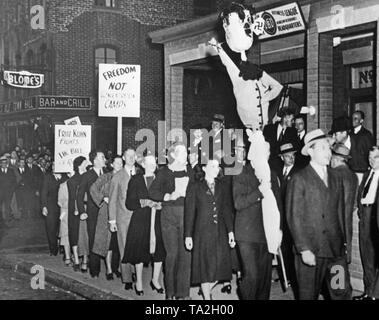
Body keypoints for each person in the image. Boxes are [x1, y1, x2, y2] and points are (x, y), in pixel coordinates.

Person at [286, 129, 352, 300]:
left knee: (341, 293)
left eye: (329, 148)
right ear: (311, 151)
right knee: (309, 295)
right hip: (311, 251)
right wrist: (304, 249)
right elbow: (294, 217)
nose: (328, 153)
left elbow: (340, 213)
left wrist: (344, 245)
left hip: (335, 251)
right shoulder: (299, 179)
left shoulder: (336, 177)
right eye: (323, 148)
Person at [232, 148, 282, 300]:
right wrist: (260, 191)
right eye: (262, 152)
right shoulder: (241, 172)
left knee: (263, 281)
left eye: (267, 152)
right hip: (247, 235)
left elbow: (278, 205)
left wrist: (279, 229)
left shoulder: (272, 175)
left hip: (267, 234)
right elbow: (238, 203)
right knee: (252, 277)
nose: (265, 156)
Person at [185, 158, 235, 300]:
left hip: (220, 232)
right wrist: (188, 235)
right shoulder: (195, 187)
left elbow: (226, 210)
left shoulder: (222, 186)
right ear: (205, 168)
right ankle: (207, 299)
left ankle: (205, 289)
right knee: (204, 267)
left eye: (217, 166)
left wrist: (230, 231)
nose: (216, 168)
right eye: (212, 166)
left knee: (221, 267)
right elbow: (189, 212)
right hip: (202, 232)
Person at [149, 144, 193, 300]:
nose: (186, 156)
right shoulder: (164, 172)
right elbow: (153, 191)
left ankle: (184, 294)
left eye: (186, 153)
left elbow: (194, 192)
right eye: (182, 153)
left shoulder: (190, 171)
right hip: (168, 215)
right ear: (173, 155)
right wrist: (168, 196)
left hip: (186, 214)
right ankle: (171, 293)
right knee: (172, 254)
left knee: (185, 255)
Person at [123, 155, 166, 296]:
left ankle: (155, 280)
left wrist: (162, 205)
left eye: (154, 163)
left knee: (159, 250)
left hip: (158, 219)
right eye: (150, 163)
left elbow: (167, 197)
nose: (153, 165)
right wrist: (144, 202)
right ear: (143, 164)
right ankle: (139, 282)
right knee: (140, 251)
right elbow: (129, 203)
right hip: (141, 219)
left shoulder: (160, 180)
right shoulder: (135, 180)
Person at [108, 148, 139, 290]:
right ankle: (127, 278)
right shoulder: (118, 176)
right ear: (124, 158)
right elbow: (113, 199)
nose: (131, 158)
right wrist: (112, 220)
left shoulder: (140, 173)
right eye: (129, 156)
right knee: (124, 246)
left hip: (138, 217)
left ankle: (134, 272)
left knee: (136, 246)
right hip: (123, 217)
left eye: (134, 156)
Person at [90, 155, 123, 280]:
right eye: (117, 163)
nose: (119, 165)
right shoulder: (105, 177)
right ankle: (109, 269)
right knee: (107, 242)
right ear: (112, 164)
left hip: (121, 213)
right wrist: (103, 198)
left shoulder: (125, 177)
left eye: (121, 163)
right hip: (107, 213)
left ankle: (118, 268)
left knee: (119, 241)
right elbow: (93, 188)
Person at [353, 146, 379, 300]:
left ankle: (375, 294)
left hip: (375, 219)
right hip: (364, 217)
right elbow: (361, 193)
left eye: (375, 157)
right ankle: (368, 292)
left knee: (376, 259)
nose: (371, 160)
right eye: (370, 157)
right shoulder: (368, 173)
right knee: (366, 257)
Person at [77, 150, 106, 278]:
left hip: (106, 212)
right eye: (102, 157)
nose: (105, 159)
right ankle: (95, 270)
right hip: (93, 213)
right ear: (95, 161)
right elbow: (79, 196)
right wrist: (82, 211)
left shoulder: (108, 173)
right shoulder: (87, 175)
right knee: (94, 239)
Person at [276, 142, 300, 295]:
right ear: (282, 157)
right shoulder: (278, 172)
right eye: (287, 156)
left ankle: (294, 276)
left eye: (292, 155)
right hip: (281, 218)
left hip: (293, 217)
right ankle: (287, 276)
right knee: (283, 247)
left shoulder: (298, 173)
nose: (291, 158)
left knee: (293, 247)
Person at [330, 143, 357, 266]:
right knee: (341, 263)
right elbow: (355, 204)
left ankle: (338, 285)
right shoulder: (353, 176)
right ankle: (340, 284)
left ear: (335, 158)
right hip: (346, 227)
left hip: (333, 227)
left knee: (333, 265)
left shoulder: (333, 175)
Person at [67, 156, 89, 272]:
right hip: (74, 211)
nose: (88, 164)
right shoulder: (72, 180)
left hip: (86, 209)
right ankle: (76, 259)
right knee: (74, 234)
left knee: (85, 235)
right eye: (85, 162)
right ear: (80, 165)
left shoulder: (88, 177)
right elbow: (73, 197)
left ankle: (85, 260)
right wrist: (76, 209)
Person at [41, 162, 67, 256]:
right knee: (51, 228)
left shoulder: (65, 177)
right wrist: (44, 206)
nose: (54, 167)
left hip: (63, 207)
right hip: (51, 207)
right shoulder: (48, 177)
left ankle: (63, 248)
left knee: (63, 228)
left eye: (57, 165)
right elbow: (43, 192)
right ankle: (53, 249)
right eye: (53, 165)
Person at [263, 107, 299, 173]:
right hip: (268, 166)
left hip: (283, 167)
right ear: (285, 117)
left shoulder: (293, 132)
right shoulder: (268, 129)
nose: (293, 122)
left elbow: (295, 148)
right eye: (292, 119)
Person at [350, 111, 375, 185]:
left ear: (361, 121)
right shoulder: (350, 133)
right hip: (351, 170)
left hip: (362, 170)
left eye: (356, 119)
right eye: (352, 118)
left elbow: (369, 152)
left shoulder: (366, 135)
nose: (353, 121)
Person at [58, 174, 72, 266]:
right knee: (65, 234)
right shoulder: (63, 186)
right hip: (66, 212)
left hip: (77, 212)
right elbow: (59, 202)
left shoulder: (81, 184)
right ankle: (67, 256)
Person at [0, 156, 17, 226]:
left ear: (7, 163)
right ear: (0, 164)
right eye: (2, 163)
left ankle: (7, 220)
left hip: (8, 193)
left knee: (7, 206)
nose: (4, 164)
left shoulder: (11, 171)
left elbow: (14, 182)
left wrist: (11, 190)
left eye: (5, 163)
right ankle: (1, 220)